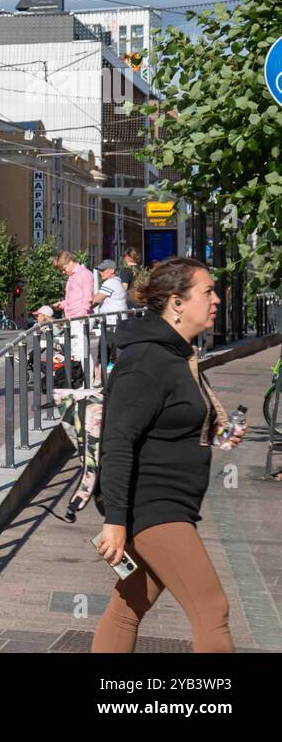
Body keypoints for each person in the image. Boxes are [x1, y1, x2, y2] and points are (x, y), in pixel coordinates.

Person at [92, 256, 237, 653]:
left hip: (171, 505)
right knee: (212, 610)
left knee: (128, 606)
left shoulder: (177, 355)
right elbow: (118, 441)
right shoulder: (147, 361)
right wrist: (115, 521)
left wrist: (219, 432)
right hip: (155, 508)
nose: (217, 300)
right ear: (177, 302)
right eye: (207, 292)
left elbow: (176, 420)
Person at [53, 251, 95, 375]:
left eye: (63, 268)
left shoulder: (85, 274)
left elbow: (88, 297)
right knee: (76, 352)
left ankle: (87, 382)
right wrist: (63, 304)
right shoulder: (73, 276)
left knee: (81, 351)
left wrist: (82, 314)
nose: (63, 271)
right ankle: (81, 380)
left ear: (70, 262)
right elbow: (75, 297)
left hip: (80, 317)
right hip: (73, 317)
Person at [93, 259, 128, 326]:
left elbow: (96, 300)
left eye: (103, 270)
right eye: (100, 270)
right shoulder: (117, 281)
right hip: (118, 320)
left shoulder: (110, 282)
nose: (100, 272)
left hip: (112, 322)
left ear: (112, 270)